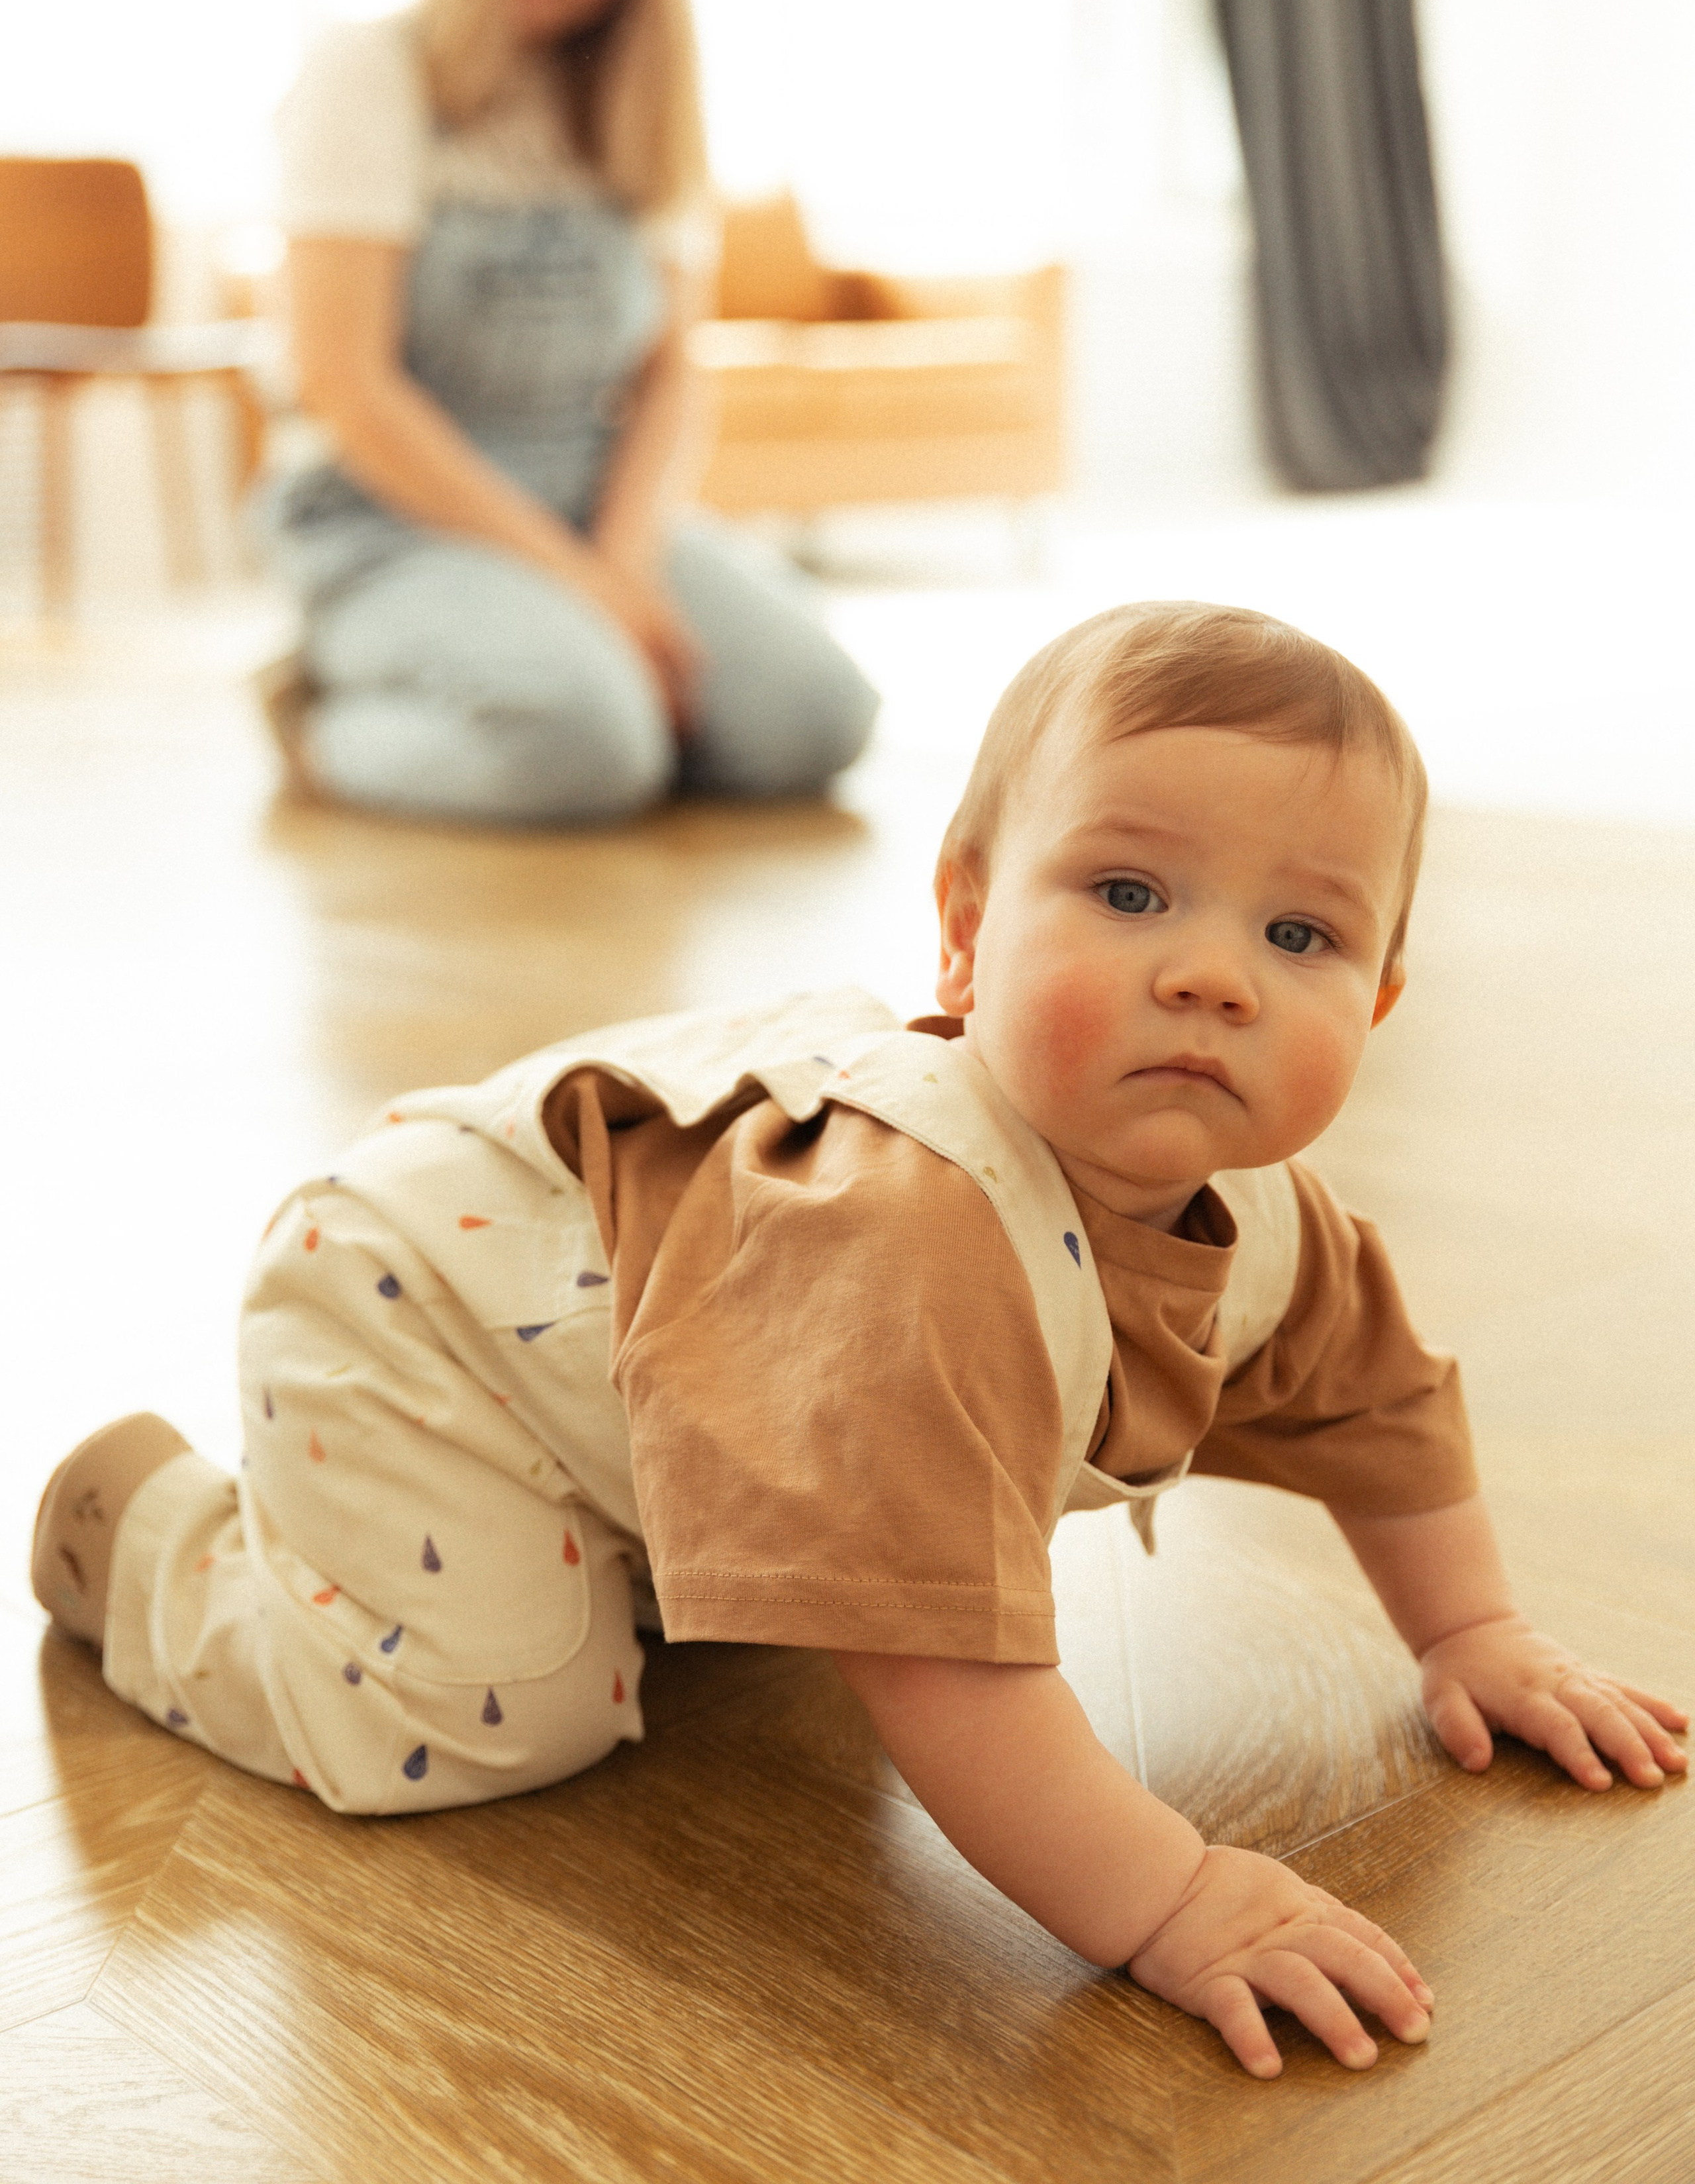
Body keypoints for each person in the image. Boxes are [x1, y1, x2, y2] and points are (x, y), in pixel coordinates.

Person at [35, 603, 1686, 2081]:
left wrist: (1471, 1632)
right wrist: (1169, 1896)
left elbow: (1378, 1409)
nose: (1210, 978)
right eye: (1126, 895)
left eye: (1298, 937)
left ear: (1378, 1000)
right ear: (963, 929)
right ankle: (160, 1547)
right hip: (431, 1322)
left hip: (651, 1356)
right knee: (488, 1726)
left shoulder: (1276, 1225)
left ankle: (631, 1545)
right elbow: (943, 1672)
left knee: (776, 1603)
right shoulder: (905, 1245)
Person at [258, 0, 877, 822]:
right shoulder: (368, 72)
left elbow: (673, 375)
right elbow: (344, 383)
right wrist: (588, 591)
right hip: (390, 522)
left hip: (594, 509)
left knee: (817, 718)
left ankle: (583, 689)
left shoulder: (647, 109)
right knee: (582, 750)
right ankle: (319, 715)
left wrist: (625, 565)